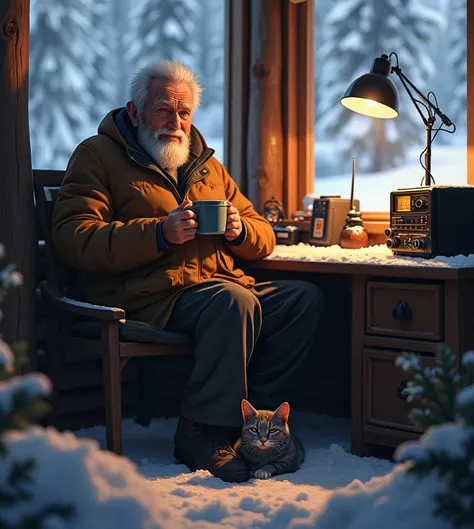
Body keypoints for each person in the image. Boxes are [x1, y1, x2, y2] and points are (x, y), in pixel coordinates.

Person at [52, 58, 324, 483]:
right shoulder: (97, 155)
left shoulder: (205, 163)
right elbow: (74, 236)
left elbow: (262, 233)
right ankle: (201, 432)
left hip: (211, 288)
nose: (175, 121)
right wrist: (159, 234)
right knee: (234, 301)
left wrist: (239, 230)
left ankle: (258, 424)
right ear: (135, 111)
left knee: (301, 300)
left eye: (184, 112)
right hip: (144, 296)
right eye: (163, 109)